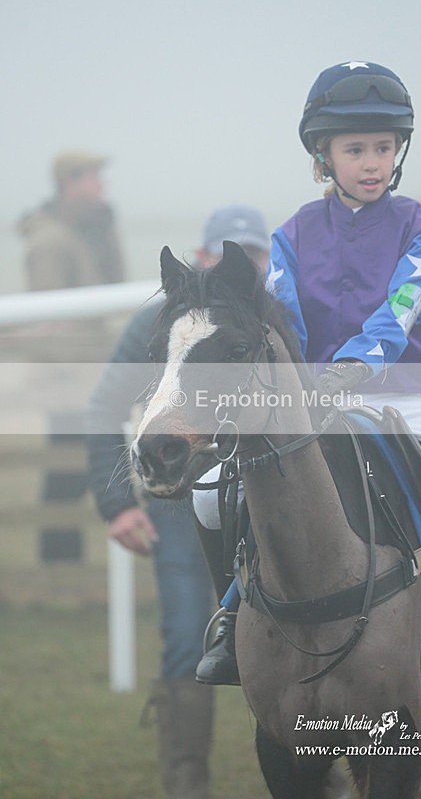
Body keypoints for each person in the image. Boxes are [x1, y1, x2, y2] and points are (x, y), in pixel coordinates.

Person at [195, 60, 421, 687]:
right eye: (357, 149)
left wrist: (354, 365)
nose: (374, 161)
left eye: (385, 147)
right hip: (313, 408)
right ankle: (228, 614)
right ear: (323, 155)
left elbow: (399, 311)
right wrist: (302, 382)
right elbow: (284, 318)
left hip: (402, 402)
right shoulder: (291, 234)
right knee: (207, 496)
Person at [87, 205, 270, 799]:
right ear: (198, 255)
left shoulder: (278, 323)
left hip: (269, 505)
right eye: (221, 251)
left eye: (249, 253)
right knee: (190, 636)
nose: (232, 263)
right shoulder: (157, 324)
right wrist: (118, 504)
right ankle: (185, 786)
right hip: (181, 511)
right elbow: (102, 406)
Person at [19, 150, 126, 291]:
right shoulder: (50, 240)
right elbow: (47, 307)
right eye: (94, 177)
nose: (102, 184)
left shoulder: (94, 228)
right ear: (69, 183)